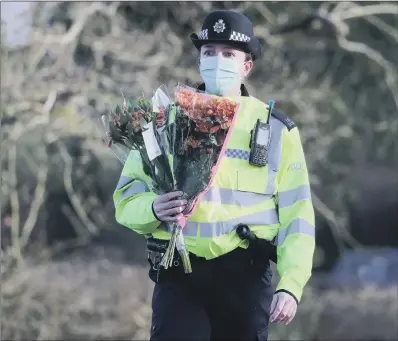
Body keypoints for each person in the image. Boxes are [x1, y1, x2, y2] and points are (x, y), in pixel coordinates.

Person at [113, 9, 315, 341]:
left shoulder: (277, 129)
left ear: (246, 66)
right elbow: (126, 198)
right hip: (179, 275)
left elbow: (298, 216)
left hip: (246, 279)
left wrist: (291, 284)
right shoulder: (163, 121)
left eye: (228, 53)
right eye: (209, 52)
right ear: (199, 60)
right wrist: (152, 209)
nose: (217, 60)